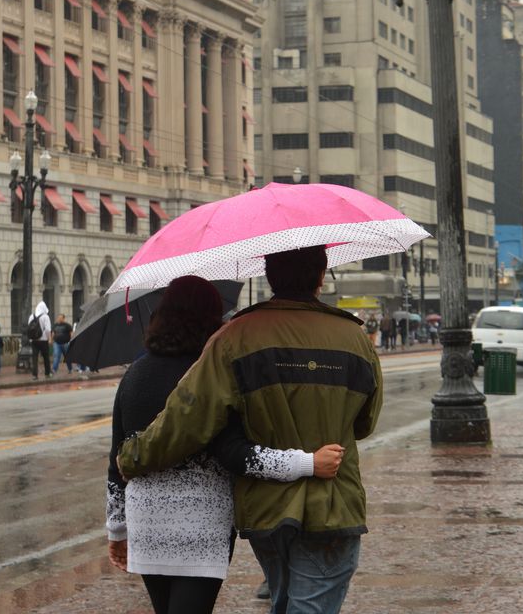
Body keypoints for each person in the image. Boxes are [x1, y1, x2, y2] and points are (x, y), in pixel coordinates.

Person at [118, 246, 382, 614]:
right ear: (321, 276)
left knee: (285, 599)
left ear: (269, 275)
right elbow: (366, 422)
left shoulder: (234, 337)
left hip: (267, 507)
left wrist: (134, 456)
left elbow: (189, 416)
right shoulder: (355, 338)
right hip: (333, 504)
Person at [28, 301, 52, 380]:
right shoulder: (45, 316)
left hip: (34, 340)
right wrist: (50, 339)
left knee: (34, 358)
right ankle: (47, 373)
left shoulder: (32, 316)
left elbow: (29, 328)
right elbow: (48, 329)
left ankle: (35, 375)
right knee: (46, 357)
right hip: (44, 340)